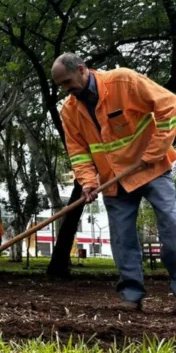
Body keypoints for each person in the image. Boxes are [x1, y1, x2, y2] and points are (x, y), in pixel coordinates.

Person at [53, 52, 176, 311]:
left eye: (66, 82)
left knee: (173, 226)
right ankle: (131, 295)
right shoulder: (69, 110)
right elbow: (78, 151)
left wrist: (154, 151)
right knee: (122, 239)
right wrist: (87, 182)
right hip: (114, 181)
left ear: (82, 69)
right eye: (61, 85)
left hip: (151, 168)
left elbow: (170, 106)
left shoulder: (124, 80)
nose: (65, 90)